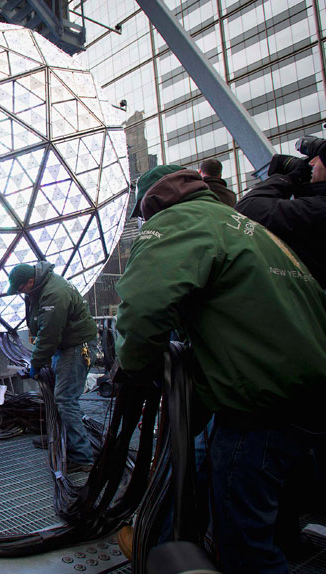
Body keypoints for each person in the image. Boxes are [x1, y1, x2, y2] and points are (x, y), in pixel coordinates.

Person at [115, 164, 326, 574]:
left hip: (260, 404)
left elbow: (142, 310)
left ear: (150, 203)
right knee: (223, 484)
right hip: (303, 395)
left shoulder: (178, 222)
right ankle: (161, 543)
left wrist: (133, 366)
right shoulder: (240, 222)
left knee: (245, 548)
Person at [7, 262, 98, 473]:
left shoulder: (54, 293)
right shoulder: (41, 289)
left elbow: (49, 336)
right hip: (64, 346)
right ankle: (59, 436)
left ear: (30, 282)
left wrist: (36, 364)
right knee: (56, 395)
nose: (21, 293)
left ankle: (82, 457)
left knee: (65, 399)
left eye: (21, 289)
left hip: (75, 348)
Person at [235, 142, 326, 288]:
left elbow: (248, 208)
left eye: (319, 158)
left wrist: (291, 177)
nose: (312, 163)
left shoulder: (317, 209)